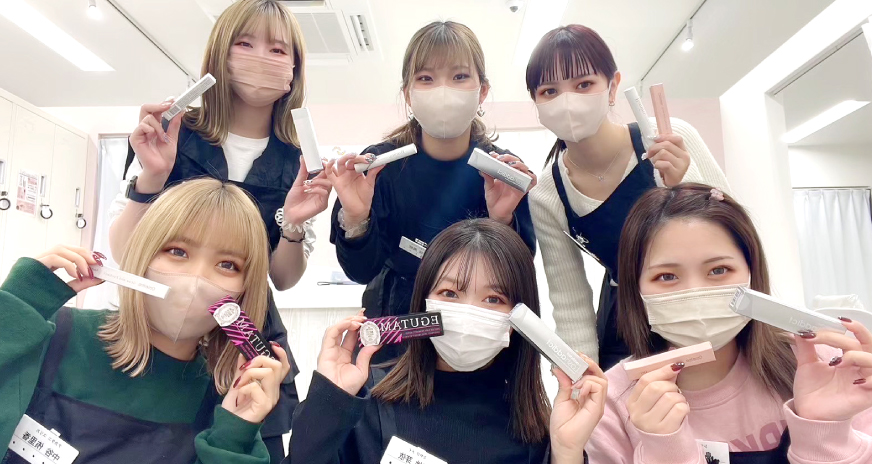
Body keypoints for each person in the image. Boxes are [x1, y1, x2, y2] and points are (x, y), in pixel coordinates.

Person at [109, 1, 328, 456]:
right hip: (156, 328)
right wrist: (152, 176)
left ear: (294, 69)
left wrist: (293, 224)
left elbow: (283, 278)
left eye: (277, 49)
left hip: (244, 339)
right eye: (245, 44)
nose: (261, 57)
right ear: (220, 55)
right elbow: (127, 253)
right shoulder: (171, 133)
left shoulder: (299, 160)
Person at [0, 179, 291, 463]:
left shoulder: (224, 402)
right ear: (143, 253)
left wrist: (233, 438)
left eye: (227, 265)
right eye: (177, 251)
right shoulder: (55, 334)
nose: (197, 279)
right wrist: (13, 313)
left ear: (245, 289)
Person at [587, 183, 872, 463]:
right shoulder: (610, 404)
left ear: (751, 273)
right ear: (635, 287)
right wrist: (666, 452)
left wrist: (824, 432)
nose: (696, 293)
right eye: (667, 276)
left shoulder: (828, 367)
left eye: (719, 270)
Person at [289, 219, 606, 464]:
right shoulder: (365, 400)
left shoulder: (533, 431)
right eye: (450, 293)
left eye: (493, 299)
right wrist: (327, 401)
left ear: (520, 319)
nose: (468, 312)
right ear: (423, 302)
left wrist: (566, 451)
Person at [328, 21, 537, 364]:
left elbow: (519, 280)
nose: (443, 91)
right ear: (408, 94)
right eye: (426, 78)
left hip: (477, 338)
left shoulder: (502, 174)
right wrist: (356, 218)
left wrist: (502, 221)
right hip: (396, 334)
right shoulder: (379, 167)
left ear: (482, 91)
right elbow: (360, 271)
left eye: (459, 77)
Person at [525, 25, 731, 369]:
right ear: (535, 101)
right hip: (626, 326)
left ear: (613, 86)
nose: (568, 100)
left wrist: (682, 184)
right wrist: (580, 378)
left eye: (583, 84)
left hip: (704, 307)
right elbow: (570, 303)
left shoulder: (668, 137)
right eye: (550, 91)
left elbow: (736, 236)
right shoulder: (547, 195)